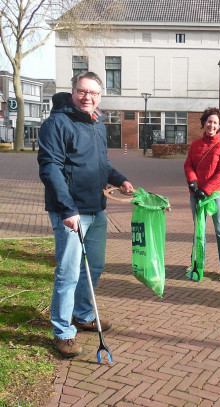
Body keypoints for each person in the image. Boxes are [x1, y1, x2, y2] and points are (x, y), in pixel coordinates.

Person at [38, 72, 134, 358]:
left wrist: (120, 179)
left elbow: (101, 163)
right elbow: (50, 168)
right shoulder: (57, 122)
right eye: (82, 91)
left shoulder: (96, 123)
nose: (87, 97)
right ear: (73, 92)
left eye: (93, 93)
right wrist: (67, 209)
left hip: (96, 208)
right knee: (68, 273)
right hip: (71, 212)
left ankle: (82, 315)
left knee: (94, 267)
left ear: (100, 96)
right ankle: (63, 332)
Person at [184, 107, 220, 281]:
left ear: (219, 125)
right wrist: (193, 182)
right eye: (209, 121)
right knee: (199, 230)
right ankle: (196, 265)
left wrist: (207, 189)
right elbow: (188, 165)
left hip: (215, 195)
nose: (212, 125)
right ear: (204, 123)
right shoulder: (196, 145)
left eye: (215, 122)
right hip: (196, 193)